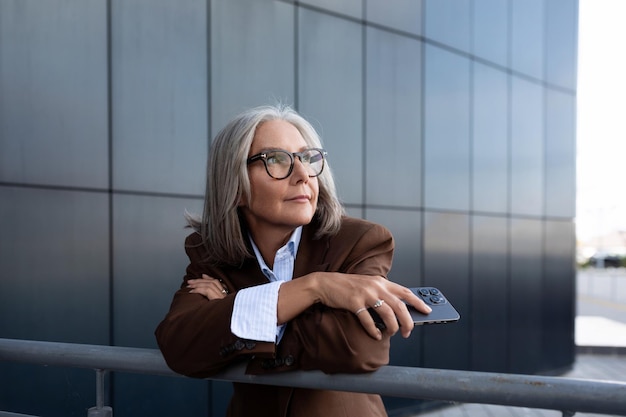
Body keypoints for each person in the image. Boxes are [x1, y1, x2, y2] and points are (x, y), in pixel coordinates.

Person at [155, 104, 432, 417]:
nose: (303, 175)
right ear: (235, 186)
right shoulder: (210, 252)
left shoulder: (360, 241)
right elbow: (180, 347)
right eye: (276, 160)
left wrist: (235, 307)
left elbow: (358, 349)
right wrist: (316, 288)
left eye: (307, 157)